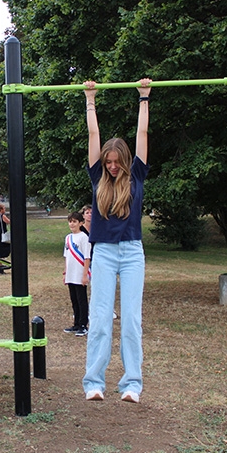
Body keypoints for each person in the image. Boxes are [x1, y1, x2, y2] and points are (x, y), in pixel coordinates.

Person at [81, 78, 152, 404]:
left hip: (133, 252)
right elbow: (94, 134)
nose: (110, 167)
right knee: (99, 319)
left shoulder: (136, 174)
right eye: (107, 162)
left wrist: (143, 98)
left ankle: (131, 385)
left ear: (124, 160)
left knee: (131, 322)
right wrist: (90, 99)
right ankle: (93, 383)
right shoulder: (98, 177)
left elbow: (142, 135)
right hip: (105, 253)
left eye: (115, 162)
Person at [63, 211, 91, 337]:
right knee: (74, 299)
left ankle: (83, 324)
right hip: (71, 273)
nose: (72, 224)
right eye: (70, 221)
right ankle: (76, 323)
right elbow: (66, 256)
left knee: (81, 299)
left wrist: (85, 275)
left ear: (80, 223)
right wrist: (65, 272)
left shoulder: (84, 237)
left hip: (80, 273)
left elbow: (86, 257)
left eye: (74, 221)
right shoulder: (68, 238)